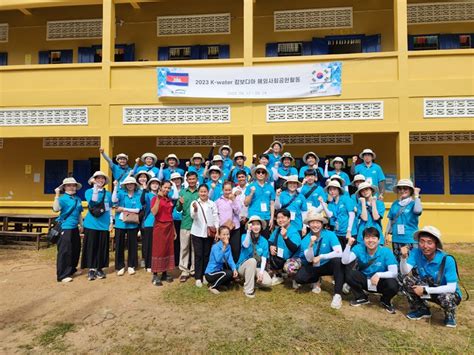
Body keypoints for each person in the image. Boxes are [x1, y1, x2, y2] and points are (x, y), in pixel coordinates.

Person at [400, 226, 462, 328]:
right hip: (429, 287)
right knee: (407, 280)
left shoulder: (447, 260)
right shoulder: (416, 252)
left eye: (429, 242)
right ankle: (422, 309)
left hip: (445, 292)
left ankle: (450, 315)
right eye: (422, 241)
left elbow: (451, 288)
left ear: (436, 244)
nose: (425, 246)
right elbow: (404, 271)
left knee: (447, 297)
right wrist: (403, 258)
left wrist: (425, 290)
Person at [342, 228, 399, 314]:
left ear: (379, 240)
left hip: (380, 282)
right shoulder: (359, 248)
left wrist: (378, 275)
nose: (370, 240)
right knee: (348, 272)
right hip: (365, 280)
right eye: (367, 237)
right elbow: (345, 261)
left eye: (373, 238)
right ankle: (361, 297)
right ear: (363, 239)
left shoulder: (386, 252)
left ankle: (385, 300)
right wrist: (348, 245)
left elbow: (394, 273)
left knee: (393, 284)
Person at [294, 211, 343, 309]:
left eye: (318, 222)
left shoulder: (330, 234)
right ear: (308, 224)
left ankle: (337, 295)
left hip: (327, 265)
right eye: (312, 222)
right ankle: (316, 280)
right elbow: (309, 259)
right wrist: (311, 245)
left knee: (337, 261)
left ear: (322, 224)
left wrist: (321, 257)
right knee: (299, 278)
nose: (315, 225)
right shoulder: (305, 240)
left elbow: (339, 252)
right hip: (313, 266)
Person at [81, 171, 113, 281]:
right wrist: (95, 186)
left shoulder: (108, 193)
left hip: (104, 224)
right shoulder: (89, 191)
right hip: (91, 224)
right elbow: (93, 201)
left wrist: (111, 221)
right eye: (98, 178)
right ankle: (91, 269)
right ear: (94, 179)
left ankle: (100, 268)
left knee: (102, 247)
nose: (100, 180)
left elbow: (108, 208)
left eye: (102, 178)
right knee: (91, 247)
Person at [52, 177, 84, 283]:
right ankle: (62, 275)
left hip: (75, 227)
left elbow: (79, 213)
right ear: (64, 187)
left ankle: (72, 270)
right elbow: (56, 209)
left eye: (73, 185)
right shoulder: (62, 198)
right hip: (65, 228)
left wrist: (81, 225)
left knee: (75, 249)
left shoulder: (78, 199)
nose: (72, 187)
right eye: (69, 185)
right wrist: (56, 195)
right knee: (65, 251)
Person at [190, 184, 219, 287]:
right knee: (198, 255)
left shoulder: (212, 203)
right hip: (197, 233)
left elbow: (216, 217)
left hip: (208, 233)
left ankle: (205, 276)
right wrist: (195, 210)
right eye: (201, 191)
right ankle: (198, 277)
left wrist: (217, 230)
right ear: (198, 192)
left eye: (205, 191)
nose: (203, 193)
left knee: (207, 255)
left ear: (208, 192)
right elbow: (192, 216)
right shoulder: (195, 203)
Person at [112, 176, 142, 276]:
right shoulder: (121, 193)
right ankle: (120, 266)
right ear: (125, 185)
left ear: (135, 185)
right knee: (119, 245)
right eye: (128, 184)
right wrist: (115, 187)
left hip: (132, 224)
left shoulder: (138, 194)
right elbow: (114, 200)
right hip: (120, 223)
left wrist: (123, 208)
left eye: (131, 183)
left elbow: (138, 210)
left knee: (132, 245)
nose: (130, 185)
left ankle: (131, 265)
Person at [236, 216, 273, 298]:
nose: (256, 227)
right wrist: (248, 232)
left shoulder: (264, 240)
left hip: (257, 268)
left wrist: (261, 272)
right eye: (253, 224)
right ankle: (248, 290)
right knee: (252, 261)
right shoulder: (244, 236)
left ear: (261, 226)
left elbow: (264, 258)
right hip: (243, 267)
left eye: (258, 224)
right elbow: (245, 245)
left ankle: (251, 281)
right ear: (250, 226)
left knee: (268, 282)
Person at [386, 179, 422, 262]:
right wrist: (387, 233)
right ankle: (400, 275)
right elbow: (391, 219)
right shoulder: (395, 203)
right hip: (396, 238)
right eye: (400, 188)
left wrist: (417, 196)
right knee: (398, 262)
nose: (402, 191)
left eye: (405, 188)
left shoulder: (414, 203)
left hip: (410, 238)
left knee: (413, 263)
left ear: (410, 190)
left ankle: (414, 276)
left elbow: (418, 211)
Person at [150, 181, 176, 286]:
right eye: (165, 187)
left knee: (167, 249)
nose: (166, 190)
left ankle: (165, 272)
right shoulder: (154, 199)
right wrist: (158, 199)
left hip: (169, 227)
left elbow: (170, 215)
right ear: (161, 187)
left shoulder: (169, 200)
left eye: (169, 188)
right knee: (158, 250)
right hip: (159, 227)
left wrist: (174, 230)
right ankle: (155, 274)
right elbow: (154, 212)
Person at [175, 171, 199, 282]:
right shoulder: (183, 192)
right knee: (184, 248)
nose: (192, 181)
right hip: (185, 224)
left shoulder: (200, 192)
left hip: (197, 225)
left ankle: (194, 270)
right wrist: (180, 203)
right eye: (190, 179)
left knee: (195, 249)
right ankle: (184, 270)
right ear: (187, 180)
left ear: (197, 179)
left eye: (194, 179)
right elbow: (178, 209)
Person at [268, 209, 301, 285]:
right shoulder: (277, 230)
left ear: (289, 219)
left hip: (293, 258)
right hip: (280, 257)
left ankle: (295, 279)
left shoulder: (294, 231)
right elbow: (270, 240)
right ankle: (278, 275)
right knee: (268, 253)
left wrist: (285, 237)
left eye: (283, 217)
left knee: (290, 268)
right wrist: (271, 246)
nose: (280, 220)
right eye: (278, 218)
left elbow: (294, 248)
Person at [204, 226, 238, 294]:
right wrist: (224, 247)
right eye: (224, 234)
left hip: (219, 271)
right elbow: (218, 259)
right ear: (219, 236)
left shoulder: (228, 246)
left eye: (227, 234)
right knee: (227, 273)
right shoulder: (215, 246)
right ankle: (213, 286)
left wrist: (234, 269)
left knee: (232, 274)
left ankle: (220, 285)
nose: (226, 236)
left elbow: (230, 259)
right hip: (210, 273)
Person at [244, 164, 275, 238]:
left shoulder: (270, 187)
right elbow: (246, 203)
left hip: (266, 217)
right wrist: (251, 193)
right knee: (252, 240)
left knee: (265, 239)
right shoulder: (250, 186)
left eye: (263, 172)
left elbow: (272, 204)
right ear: (255, 174)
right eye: (258, 172)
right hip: (253, 217)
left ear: (265, 174)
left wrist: (272, 218)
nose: (260, 174)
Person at [323, 180, 355, 248]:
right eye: (330, 190)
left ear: (339, 190)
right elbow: (330, 215)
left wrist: (349, 231)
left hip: (348, 233)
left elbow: (352, 215)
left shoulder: (346, 199)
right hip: (337, 232)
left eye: (334, 189)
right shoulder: (331, 204)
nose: (332, 191)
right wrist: (322, 204)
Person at [216, 181, 241, 263]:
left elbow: (238, 211)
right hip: (224, 229)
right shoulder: (218, 201)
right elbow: (216, 216)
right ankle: (225, 269)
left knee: (235, 249)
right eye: (226, 190)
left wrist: (233, 200)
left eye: (229, 190)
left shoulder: (236, 199)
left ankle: (235, 269)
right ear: (222, 190)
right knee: (224, 249)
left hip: (235, 228)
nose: (227, 192)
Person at [141, 177, 161, 272]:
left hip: (159, 223)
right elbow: (142, 201)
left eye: (156, 183)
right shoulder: (147, 194)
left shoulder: (161, 195)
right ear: (150, 185)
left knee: (157, 245)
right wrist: (144, 189)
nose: (155, 185)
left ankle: (156, 263)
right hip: (149, 223)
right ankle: (148, 264)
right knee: (148, 245)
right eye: (152, 183)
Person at [170, 173, 184, 267]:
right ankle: (175, 261)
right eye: (174, 179)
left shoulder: (184, 190)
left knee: (183, 241)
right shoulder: (170, 191)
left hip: (183, 218)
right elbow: (174, 198)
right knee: (175, 240)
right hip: (173, 218)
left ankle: (182, 260)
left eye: (178, 179)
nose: (176, 181)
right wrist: (173, 186)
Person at [232, 170, 249, 235]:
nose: (241, 179)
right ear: (237, 179)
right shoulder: (234, 189)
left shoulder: (250, 188)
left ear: (246, 177)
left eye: (242, 177)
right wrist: (234, 195)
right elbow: (232, 203)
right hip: (237, 218)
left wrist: (246, 216)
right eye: (239, 177)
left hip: (248, 217)